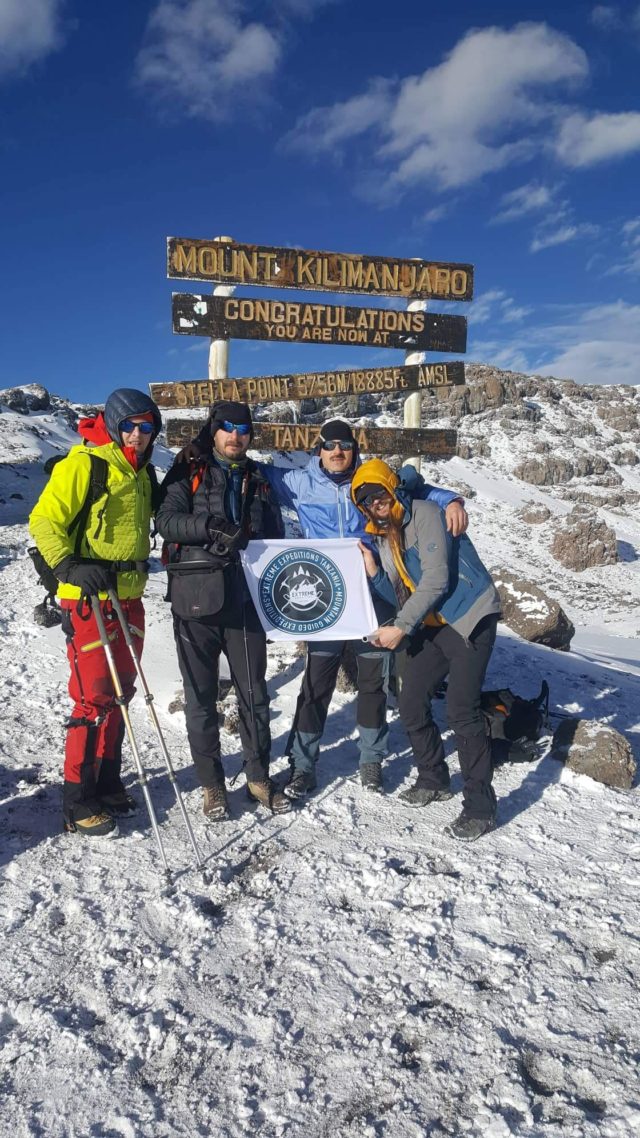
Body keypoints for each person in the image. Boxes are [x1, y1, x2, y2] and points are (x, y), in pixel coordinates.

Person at [180, 415, 467, 800]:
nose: (337, 452)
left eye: (344, 446)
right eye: (330, 445)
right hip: (324, 599)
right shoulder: (297, 481)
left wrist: (452, 500)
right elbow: (248, 467)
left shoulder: (368, 478)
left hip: (372, 594)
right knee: (316, 683)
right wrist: (203, 448)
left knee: (373, 682)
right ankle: (302, 765)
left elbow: (414, 486)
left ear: (354, 450)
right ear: (318, 449)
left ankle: (371, 760)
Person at [29, 388, 162, 837]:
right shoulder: (84, 464)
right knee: (92, 698)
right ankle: (77, 798)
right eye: (130, 425)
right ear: (112, 424)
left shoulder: (144, 474)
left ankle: (107, 783)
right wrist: (68, 565)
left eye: (147, 427)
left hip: (129, 597)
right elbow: (43, 520)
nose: (138, 435)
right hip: (88, 599)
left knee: (122, 691)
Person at [351, 458, 502, 841]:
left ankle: (480, 808)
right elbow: (397, 593)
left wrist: (400, 629)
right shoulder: (384, 534)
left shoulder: (426, 513)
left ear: (392, 489)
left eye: (378, 493)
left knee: (461, 711)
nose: (375, 502)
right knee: (411, 699)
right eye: (365, 499)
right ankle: (434, 778)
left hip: (468, 617)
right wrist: (372, 570)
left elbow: (435, 581)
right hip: (432, 624)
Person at [156, 400, 291, 821]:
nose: (236, 435)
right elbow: (165, 519)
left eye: (243, 429)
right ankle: (212, 785)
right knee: (200, 698)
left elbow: (274, 533)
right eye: (228, 427)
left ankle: (258, 776)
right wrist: (209, 526)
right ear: (213, 431)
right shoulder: (188, 470)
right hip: (194, 598)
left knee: (255, 694)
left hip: (247, 601)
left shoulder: (258, 478)